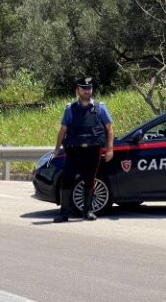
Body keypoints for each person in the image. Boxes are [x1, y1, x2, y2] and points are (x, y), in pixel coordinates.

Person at [52, 76, 114, 222]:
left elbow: (110, 129)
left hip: (92, 151)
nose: (87, 91)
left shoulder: (100, 108)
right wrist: (56, 149)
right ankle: (64, 213)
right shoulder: (70, 109)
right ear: (77, 90)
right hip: (74, 151)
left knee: (90, 181)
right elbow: (63, 130)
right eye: (83, 89)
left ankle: (87, 211)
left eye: (89, 88)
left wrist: (110, 149)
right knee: (67, 180)